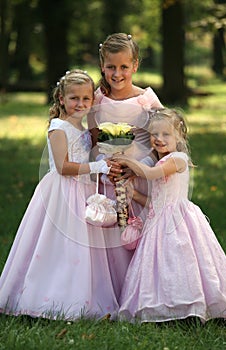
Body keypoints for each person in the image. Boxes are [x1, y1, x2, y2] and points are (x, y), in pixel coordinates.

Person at [0, 69, 124, 321]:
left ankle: (85, 296)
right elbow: (63, 167)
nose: (80, 104)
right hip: (62, 193)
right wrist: (95, 167)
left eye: (86, 99)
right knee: (62, 245)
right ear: (61, 99)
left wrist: (105, 162)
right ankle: (50, 296)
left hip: (83, 189)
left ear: (92, 101)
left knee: (86, 246)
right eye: (74, 98)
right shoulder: (59, 127)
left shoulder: (84, 127)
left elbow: (87, 155)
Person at [113, 108, 226, 323]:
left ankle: (192, 304)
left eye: (165, 134)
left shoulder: (178, 159)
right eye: (154, 134)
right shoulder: (164, 160)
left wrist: (125, 161)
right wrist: (134, 194)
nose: (159, 139)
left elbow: (149, 173)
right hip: (158, 220)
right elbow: (156, 202)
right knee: (161, 266)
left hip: (178, 222)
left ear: (179, 137)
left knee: (182, 262)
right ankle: (165, 306)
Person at [88, 32, 164, 228]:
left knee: (141, 228)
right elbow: (94, 143)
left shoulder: (146, 99)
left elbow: (164, 141)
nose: (117, 74)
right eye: (111, 67)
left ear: (135, 66)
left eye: (124, 67)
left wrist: (137, 168)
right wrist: (104, 166)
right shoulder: (97, 100)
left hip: (141, 177)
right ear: (102, 66)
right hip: (110, 178)